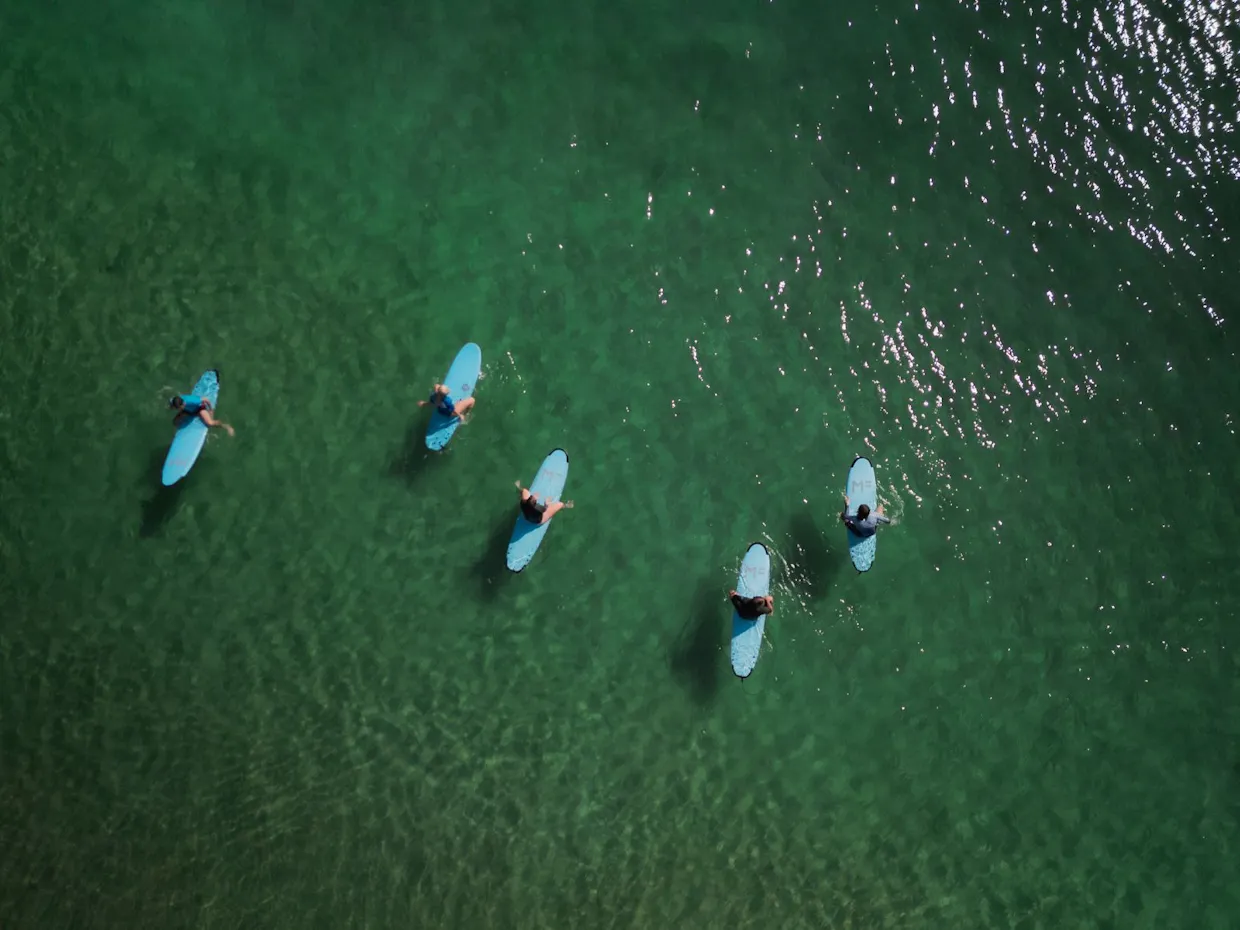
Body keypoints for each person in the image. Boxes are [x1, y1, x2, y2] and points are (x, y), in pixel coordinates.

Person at [168, 392, 234, 436]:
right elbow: (172, 402)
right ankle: (179, 434)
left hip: (199, 408)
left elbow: (206, 400)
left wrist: (211, 410)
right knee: (175, 422)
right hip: (188, 411)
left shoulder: (192, 401)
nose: (178, 409)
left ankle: (227, 426)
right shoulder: (175, 401)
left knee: (210, 423)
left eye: (179, 408)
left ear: (183, 404)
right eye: (177, 408)